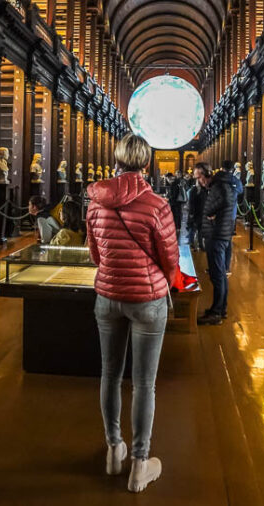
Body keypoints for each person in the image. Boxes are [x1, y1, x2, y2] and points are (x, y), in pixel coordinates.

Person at [86, 134, 178, 493]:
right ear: (146, 163)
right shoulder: (156, 204)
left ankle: (113, 450)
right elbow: (169, 258)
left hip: (108, 296)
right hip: (147, 300)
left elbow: (95, 256)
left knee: (110, 374)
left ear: (117, 160)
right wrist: (160, 283)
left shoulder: (95, 202)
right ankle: (140, 464)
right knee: (144, 383)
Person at [196, 161, 237, 326]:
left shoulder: (219, 186)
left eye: (199, 177)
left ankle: (216, 313)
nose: (198, 181)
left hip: (217, 234)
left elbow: (226, 201)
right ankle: (220, 309)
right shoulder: (220, 185)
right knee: (219, 274)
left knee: (217, 274)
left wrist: (210, 212)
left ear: (206, 175)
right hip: (220, 232)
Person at [186, 170, 207, 250]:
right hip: (195, 212)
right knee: (193, 228)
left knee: (201, 229)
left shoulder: (204, 190)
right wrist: (191, 213)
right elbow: (191, 202)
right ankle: (191, 243)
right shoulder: (194, 190)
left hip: (202, 212)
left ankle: (201, 244)